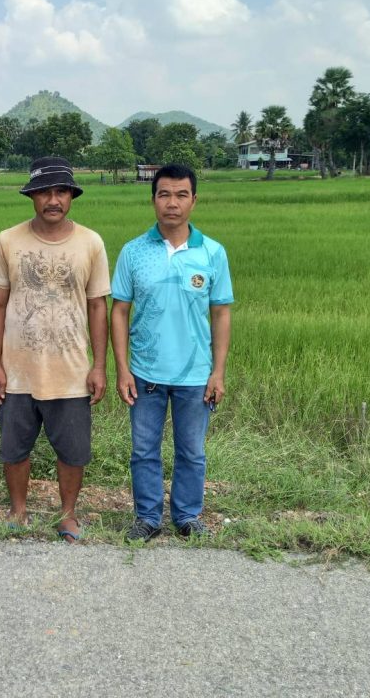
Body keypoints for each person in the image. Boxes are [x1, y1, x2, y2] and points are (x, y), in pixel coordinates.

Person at [0, 156, 110, 543]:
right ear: (32, 196)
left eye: (61, 192)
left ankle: (68, 515)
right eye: (44, 192)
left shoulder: (91, 242)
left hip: (72, 370)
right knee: (14, 447)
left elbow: (98, 306)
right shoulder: (8, 240)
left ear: (71, 196)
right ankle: (18, 511)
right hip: (17, 369)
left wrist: (99, 366)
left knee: (73, 450)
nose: (53, 200)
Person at [110, 163, 233, 542]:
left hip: (195, 373)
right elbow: (119, 311)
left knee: (192, 451)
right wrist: (122, 369)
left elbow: (221, 313)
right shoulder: (133, 252)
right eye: (164, 194)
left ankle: (187, 516)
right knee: (143, 450)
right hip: (145, 372)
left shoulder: (212, 253)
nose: (172, 203)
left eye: (181, 195)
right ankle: (147, 517)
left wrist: (218, 372)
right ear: (153, 200)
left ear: (194, 200)